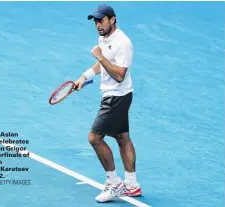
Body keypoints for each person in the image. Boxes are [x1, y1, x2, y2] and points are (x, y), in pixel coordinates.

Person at [75, 4, 142, 203]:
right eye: (95, 21)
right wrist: (84, 77)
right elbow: (102, 64)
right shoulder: (103, 38)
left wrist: (101, 56)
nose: (97, 25)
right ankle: (132, 185)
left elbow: (120, 75)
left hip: (116, 97)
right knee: (122, 137)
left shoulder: (123, 43)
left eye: (101, 20)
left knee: (94, 138)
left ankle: (114, 183)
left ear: (112, 19)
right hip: (115, 96)